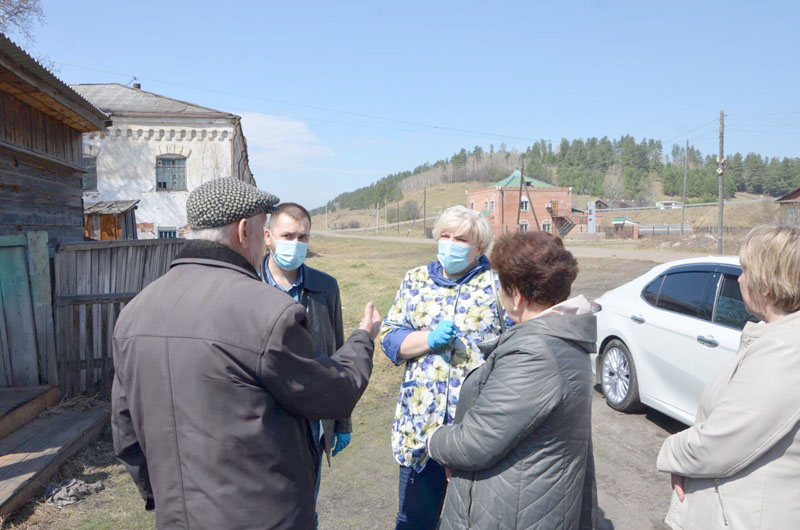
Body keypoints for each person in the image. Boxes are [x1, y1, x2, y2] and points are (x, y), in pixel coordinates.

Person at [110, 177, 381, 530]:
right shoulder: (267, 311)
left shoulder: (135, 312)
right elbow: (334, 393)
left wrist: (161, 498)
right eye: (260, 227)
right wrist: (363, 338)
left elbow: (125, 426)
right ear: (244, 231)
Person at [427, 231, 598, 530]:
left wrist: (432, 439)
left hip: (513, 512)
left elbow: (476, 440)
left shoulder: (535, 353)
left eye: (501, 287)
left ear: (516, 294)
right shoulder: (557, 337)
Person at [657, 223, 800, 530]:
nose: (740, 279)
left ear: (766, 285)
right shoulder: (776, 339)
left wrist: (671, 453)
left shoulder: (785, 350)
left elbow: (719, 443)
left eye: (746, 270)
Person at [379, 205, 509, 530]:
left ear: (479, 247)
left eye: (461, 239)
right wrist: (428, 339)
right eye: (445, 236)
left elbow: (515, 346)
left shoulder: (497, 286)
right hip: (420, 428)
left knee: (470, 520)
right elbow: (390, 338)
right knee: (414, 520)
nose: (450, 244)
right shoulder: (415, 280)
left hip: (475, 431)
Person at [261, 202, 352, 526]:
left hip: (312, 422)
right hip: (263, 422)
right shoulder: (248, 286)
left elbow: (339, 356)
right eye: (288, 235)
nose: (296, 244)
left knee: (304, 512)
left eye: (303, 237)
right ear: (268, 237)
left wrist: (341, 423)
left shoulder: (325, 287)